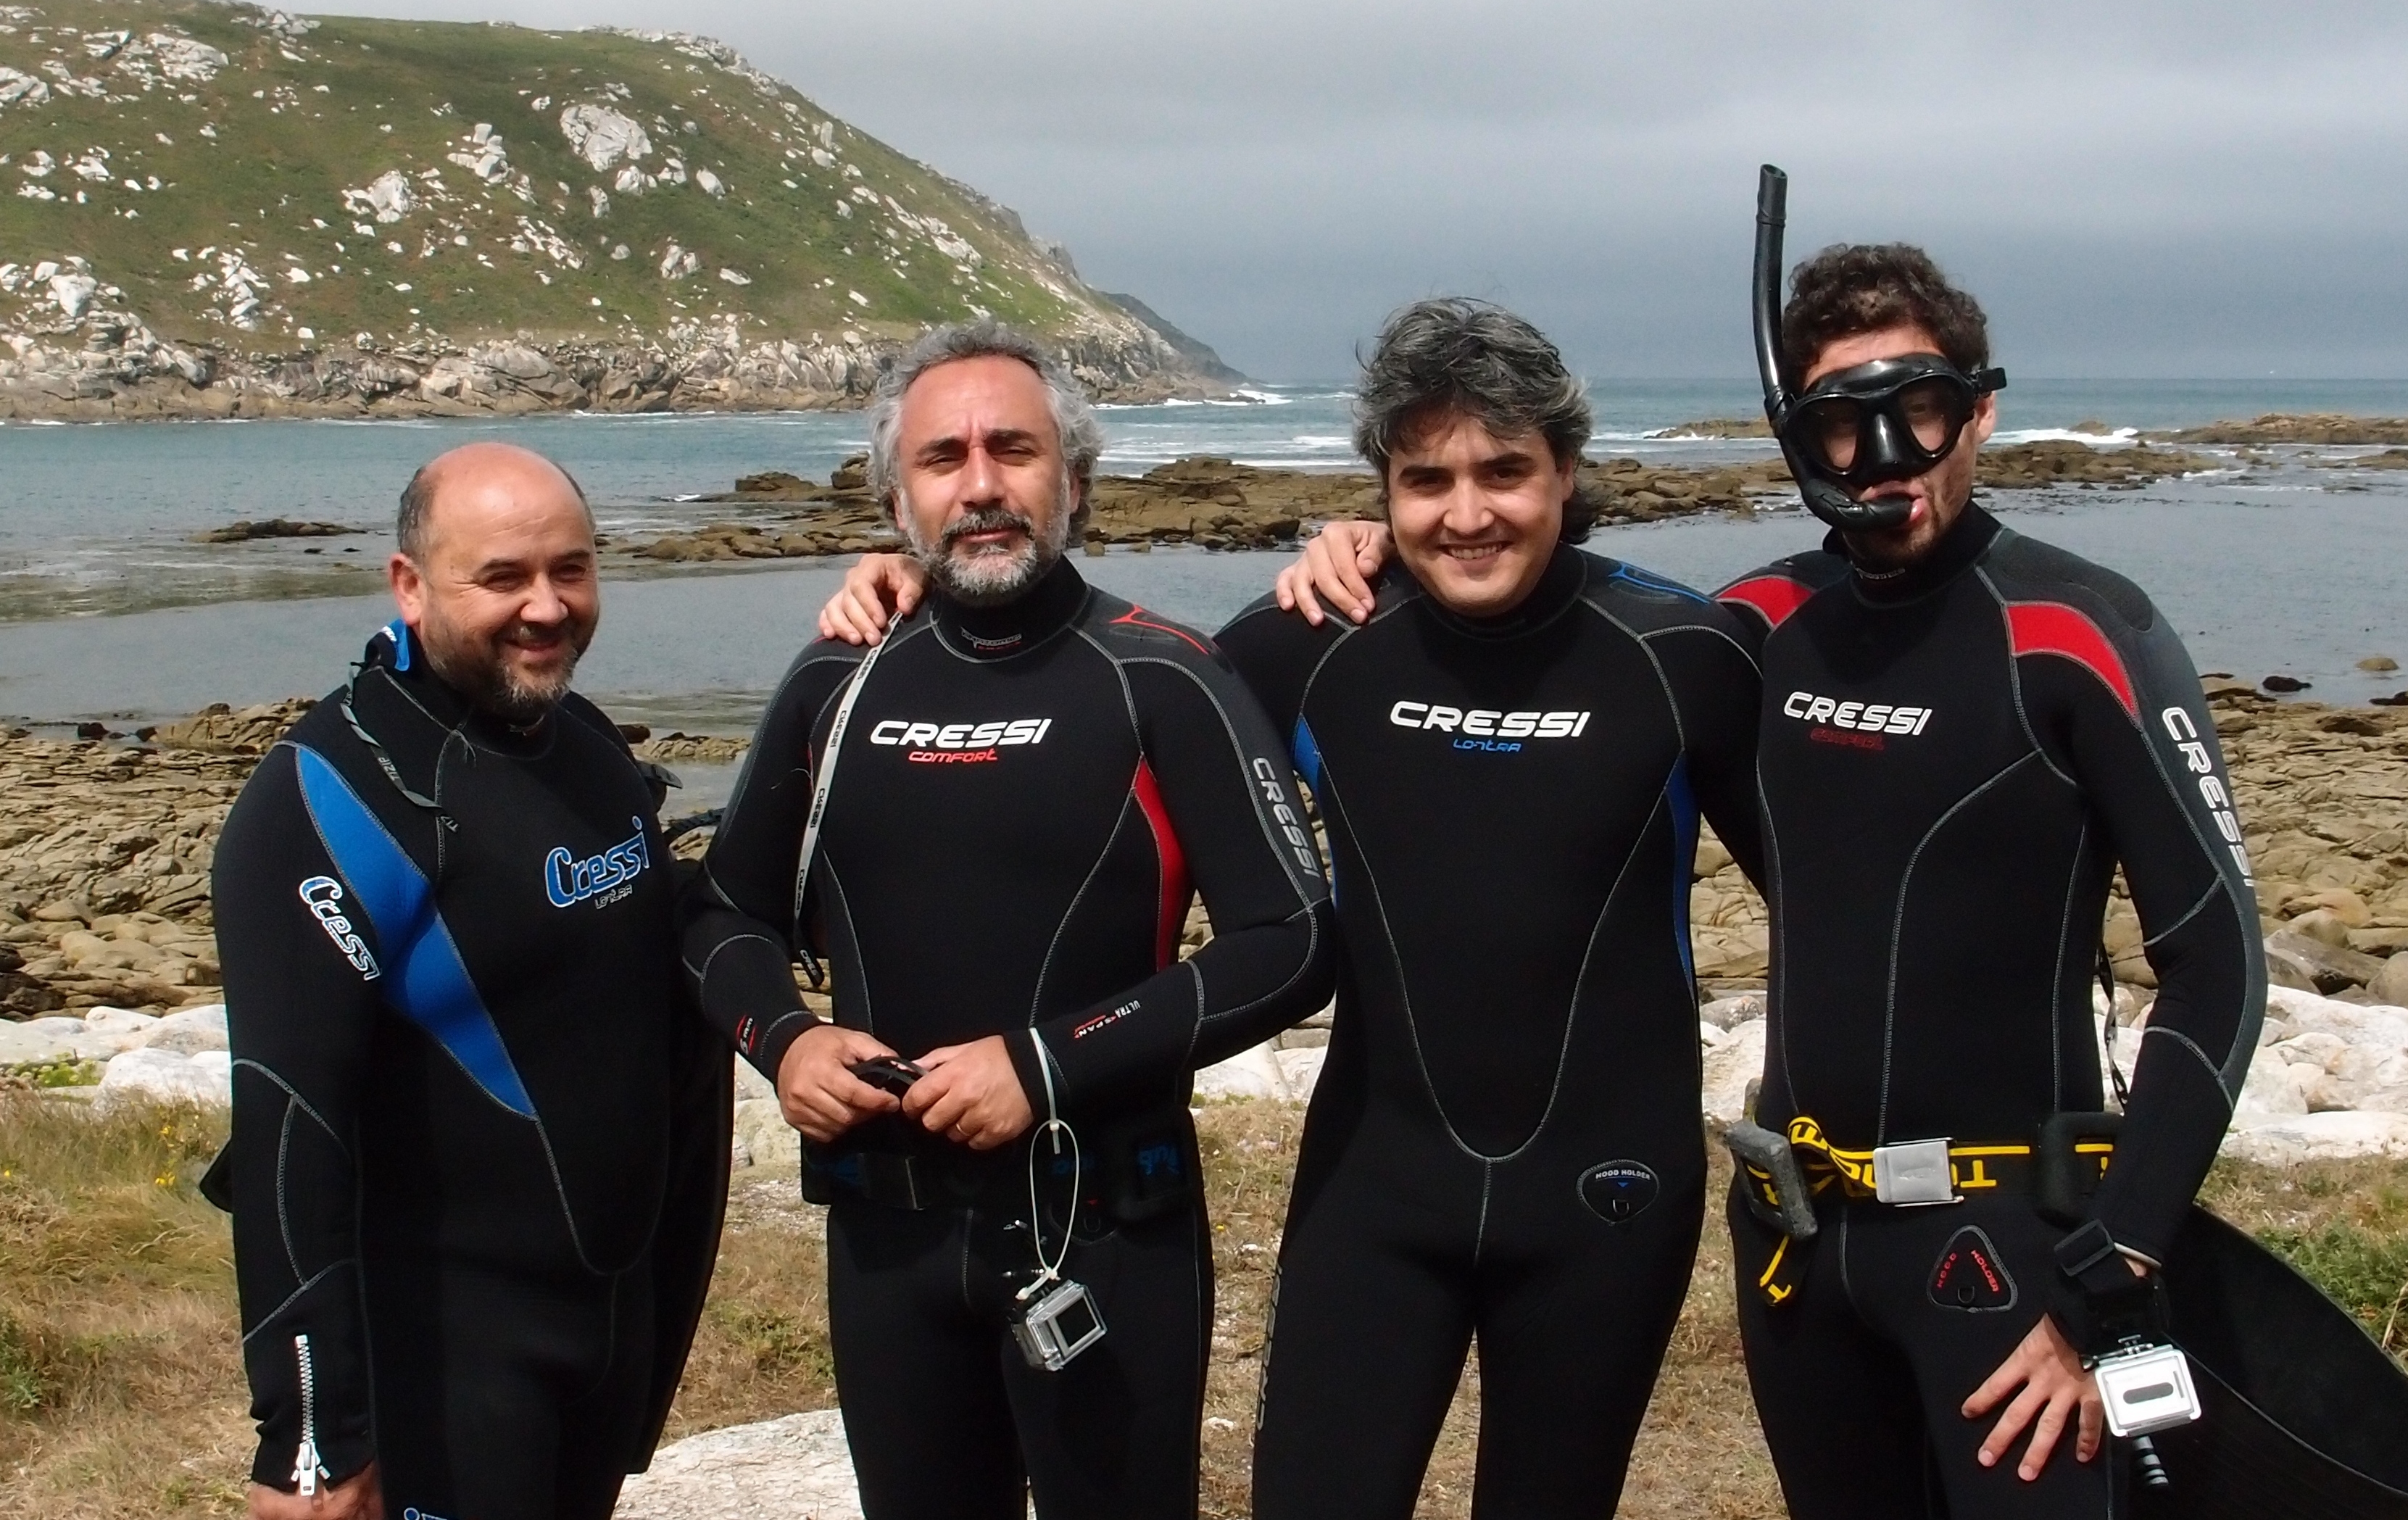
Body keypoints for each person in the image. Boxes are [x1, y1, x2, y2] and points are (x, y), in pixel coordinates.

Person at [1278, 234, 2263, 1518]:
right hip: (1799, 1244)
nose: (1885, 460)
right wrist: (1366, 542)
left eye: (1918, 409)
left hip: (2021, 1253)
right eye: (1840, 426)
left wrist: (2115, 1263)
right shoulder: (1749, 629)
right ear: (1799, 437)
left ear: (1979, 408)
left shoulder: (2079, 634)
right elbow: (1570, 631)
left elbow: (2219, 957)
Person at [815, 299, 1768, 1519]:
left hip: (1607, 1200)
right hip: (1375, 1195)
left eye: (1504, 471)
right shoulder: (1303, 645)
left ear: (1566, 471)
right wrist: (919, 582)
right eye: (1425, 478)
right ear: (1381, 490)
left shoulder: (1684, 656)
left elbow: (1831, 884)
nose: (1466, 512)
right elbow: (1087, 676)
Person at [681, 321, 1335, 1520]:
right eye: (943, 458)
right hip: (888, 1240)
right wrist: (784, 1038)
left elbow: (1291, 937)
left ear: (1073, 479)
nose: (980, 483)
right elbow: (723, 912)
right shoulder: (838, 680)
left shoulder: (1164, 677)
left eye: (1013, 449)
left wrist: (1042, 1066)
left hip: (1104, 1229)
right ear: (896, 496)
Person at [212, 442, 731, 1520]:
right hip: (444, 1360)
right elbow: (289, 1124)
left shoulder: (583, 746)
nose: (546, 607)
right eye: (501, 577)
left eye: (571, 569)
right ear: (409, 585)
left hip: (607, 1329)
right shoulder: (330, 797)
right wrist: (311, 1435)